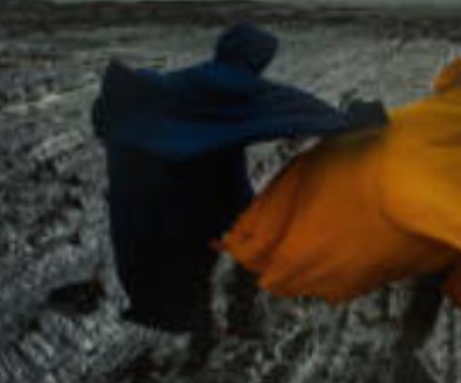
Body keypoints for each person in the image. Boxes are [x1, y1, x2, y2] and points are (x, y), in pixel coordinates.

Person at [221, 56, 461, 381]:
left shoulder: (451, 112)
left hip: (451, 223)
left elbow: (409, 130)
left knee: (435, 276)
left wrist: (360, 130)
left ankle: (409, 346)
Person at [91, 23, 387, 335]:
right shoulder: (243, 88)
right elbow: (295, 109)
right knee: (243, 239)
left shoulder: (184, 79)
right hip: (209, 186)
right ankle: (237, 318)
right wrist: (348, 121)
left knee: (170, 250)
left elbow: (131, 106)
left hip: (170, 182)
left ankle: (176, 313)